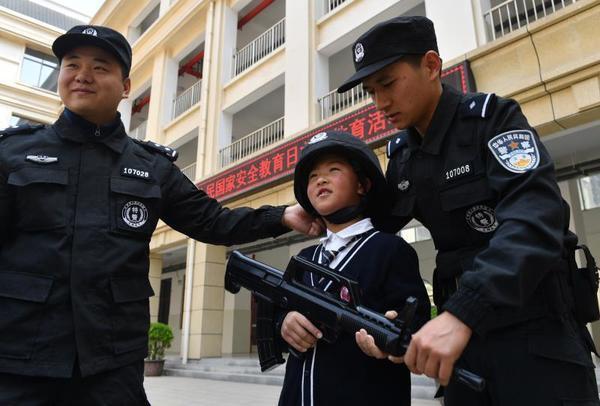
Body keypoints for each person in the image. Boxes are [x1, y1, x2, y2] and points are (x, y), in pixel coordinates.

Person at [0, 25, 319, 405]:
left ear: (125, 87)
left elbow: (211, 221)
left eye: (100, 67)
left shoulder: (150, 166)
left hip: (112, 360)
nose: (83, 75)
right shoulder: (13, 154)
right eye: (72, 65)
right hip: (21, 356)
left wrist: (281, 216)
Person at [342, 16, 600, 405]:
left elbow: (535, 217)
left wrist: (463, 312)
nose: (380, 103)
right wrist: (385, 316)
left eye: (388, 84)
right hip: (462, 351)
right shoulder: (403, 157)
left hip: (536, 339)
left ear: (431, 65)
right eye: (371, 91)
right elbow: (368, 234)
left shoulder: (493, 120)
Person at [277, 131, 430, 406]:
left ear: (362, 185)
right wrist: (285, 323)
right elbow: (282, 310)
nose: (320, 180)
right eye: (312, 176)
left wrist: (398, 330)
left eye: (333, 170)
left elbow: (418, 324)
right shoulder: (305, 258)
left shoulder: (390, 249)